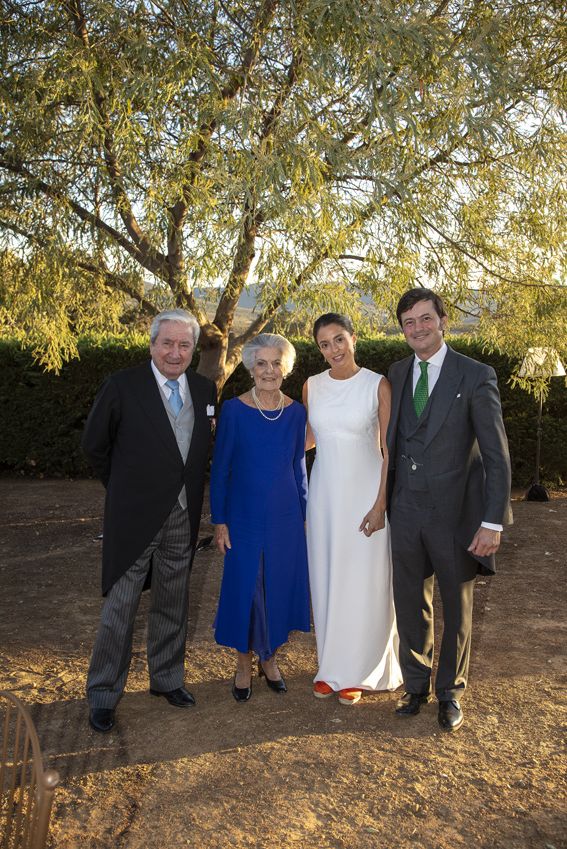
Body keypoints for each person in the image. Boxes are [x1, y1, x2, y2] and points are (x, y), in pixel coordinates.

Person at [82, 308, 217, 733]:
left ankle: (167, 679)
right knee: (120, 608)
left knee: (173, 599)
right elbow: (94, 447)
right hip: (134, 518)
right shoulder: (122, 386)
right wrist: (124, 491)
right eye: (168, 343)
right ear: (152, 343)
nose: (175, 353)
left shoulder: (204, 388)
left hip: (183, 514)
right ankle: (103, 694)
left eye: (184, 345)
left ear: (193, 350)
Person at [387, 288, 512, 732]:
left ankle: (450, 693)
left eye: (425, 318)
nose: (418, 328)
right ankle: (415, 686)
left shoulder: (476, 375)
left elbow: (496, 456)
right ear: (402, 329)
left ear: (443, 320)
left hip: (456, 513)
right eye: (409, 322)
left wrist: (492, 521)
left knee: (457, 609)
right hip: (404, 511)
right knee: (409, 602)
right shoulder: (397, 372)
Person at [303, 313, 402, 706]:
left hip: (366, 497)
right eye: (324, 344)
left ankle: (361, 670)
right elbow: (310, 440)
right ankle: (331, 667)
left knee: (364, 581)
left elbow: (389, 451)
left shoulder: (377, 385)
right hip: (325, 496)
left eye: (339, 340)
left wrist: (381, 503)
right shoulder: (312, 386)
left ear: (354, 339)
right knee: (328, 578)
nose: (333, 350)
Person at [210, 333, 310, 702]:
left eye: (276, 363)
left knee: (278, 587)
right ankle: (242, 662)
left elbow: (298, 467)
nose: (269, 371)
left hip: (286, 518)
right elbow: (220, 470)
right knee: (247, 589)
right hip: (244, 517)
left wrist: (304, 514)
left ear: (286, 368)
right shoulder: (234, 410)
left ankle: (269, 658)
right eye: (262, 363)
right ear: (251, 367)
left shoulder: (297, 412)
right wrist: (220, 521)